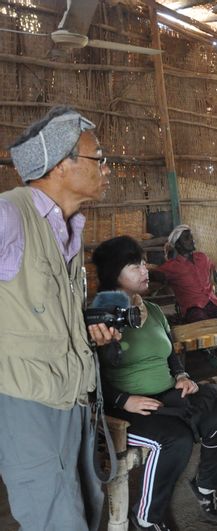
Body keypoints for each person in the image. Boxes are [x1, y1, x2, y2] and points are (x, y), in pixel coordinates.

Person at [0, 106, 120, 530]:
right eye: (98, 157)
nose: (107, 167)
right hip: (27, 401)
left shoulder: (67, 228)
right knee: (56, 521)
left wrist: (82, 336)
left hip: (72, 399)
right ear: (61, 166)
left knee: (86, 509)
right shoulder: (10, 214)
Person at [92, 236, 217, 529]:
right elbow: (89, 374)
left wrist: (183, 376)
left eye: (144, 264)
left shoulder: (153, 311)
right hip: (125, 408)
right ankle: (146, 517)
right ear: (113, 274)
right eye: (135, 266)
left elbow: (170, 355)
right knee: (175, 440)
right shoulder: (99, 318)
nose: (145, 271)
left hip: (166, 396)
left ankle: (206, 486)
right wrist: (122, 400)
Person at [149, 225, 217, 323]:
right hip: (194, 309)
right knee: (203, 325)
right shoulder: (171, 267)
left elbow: (213, 268)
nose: (192, 240)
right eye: (187, 238)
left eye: (191, 236)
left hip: (215, 303)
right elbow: (152, 276)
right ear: (178, 245)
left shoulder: (202, 257)